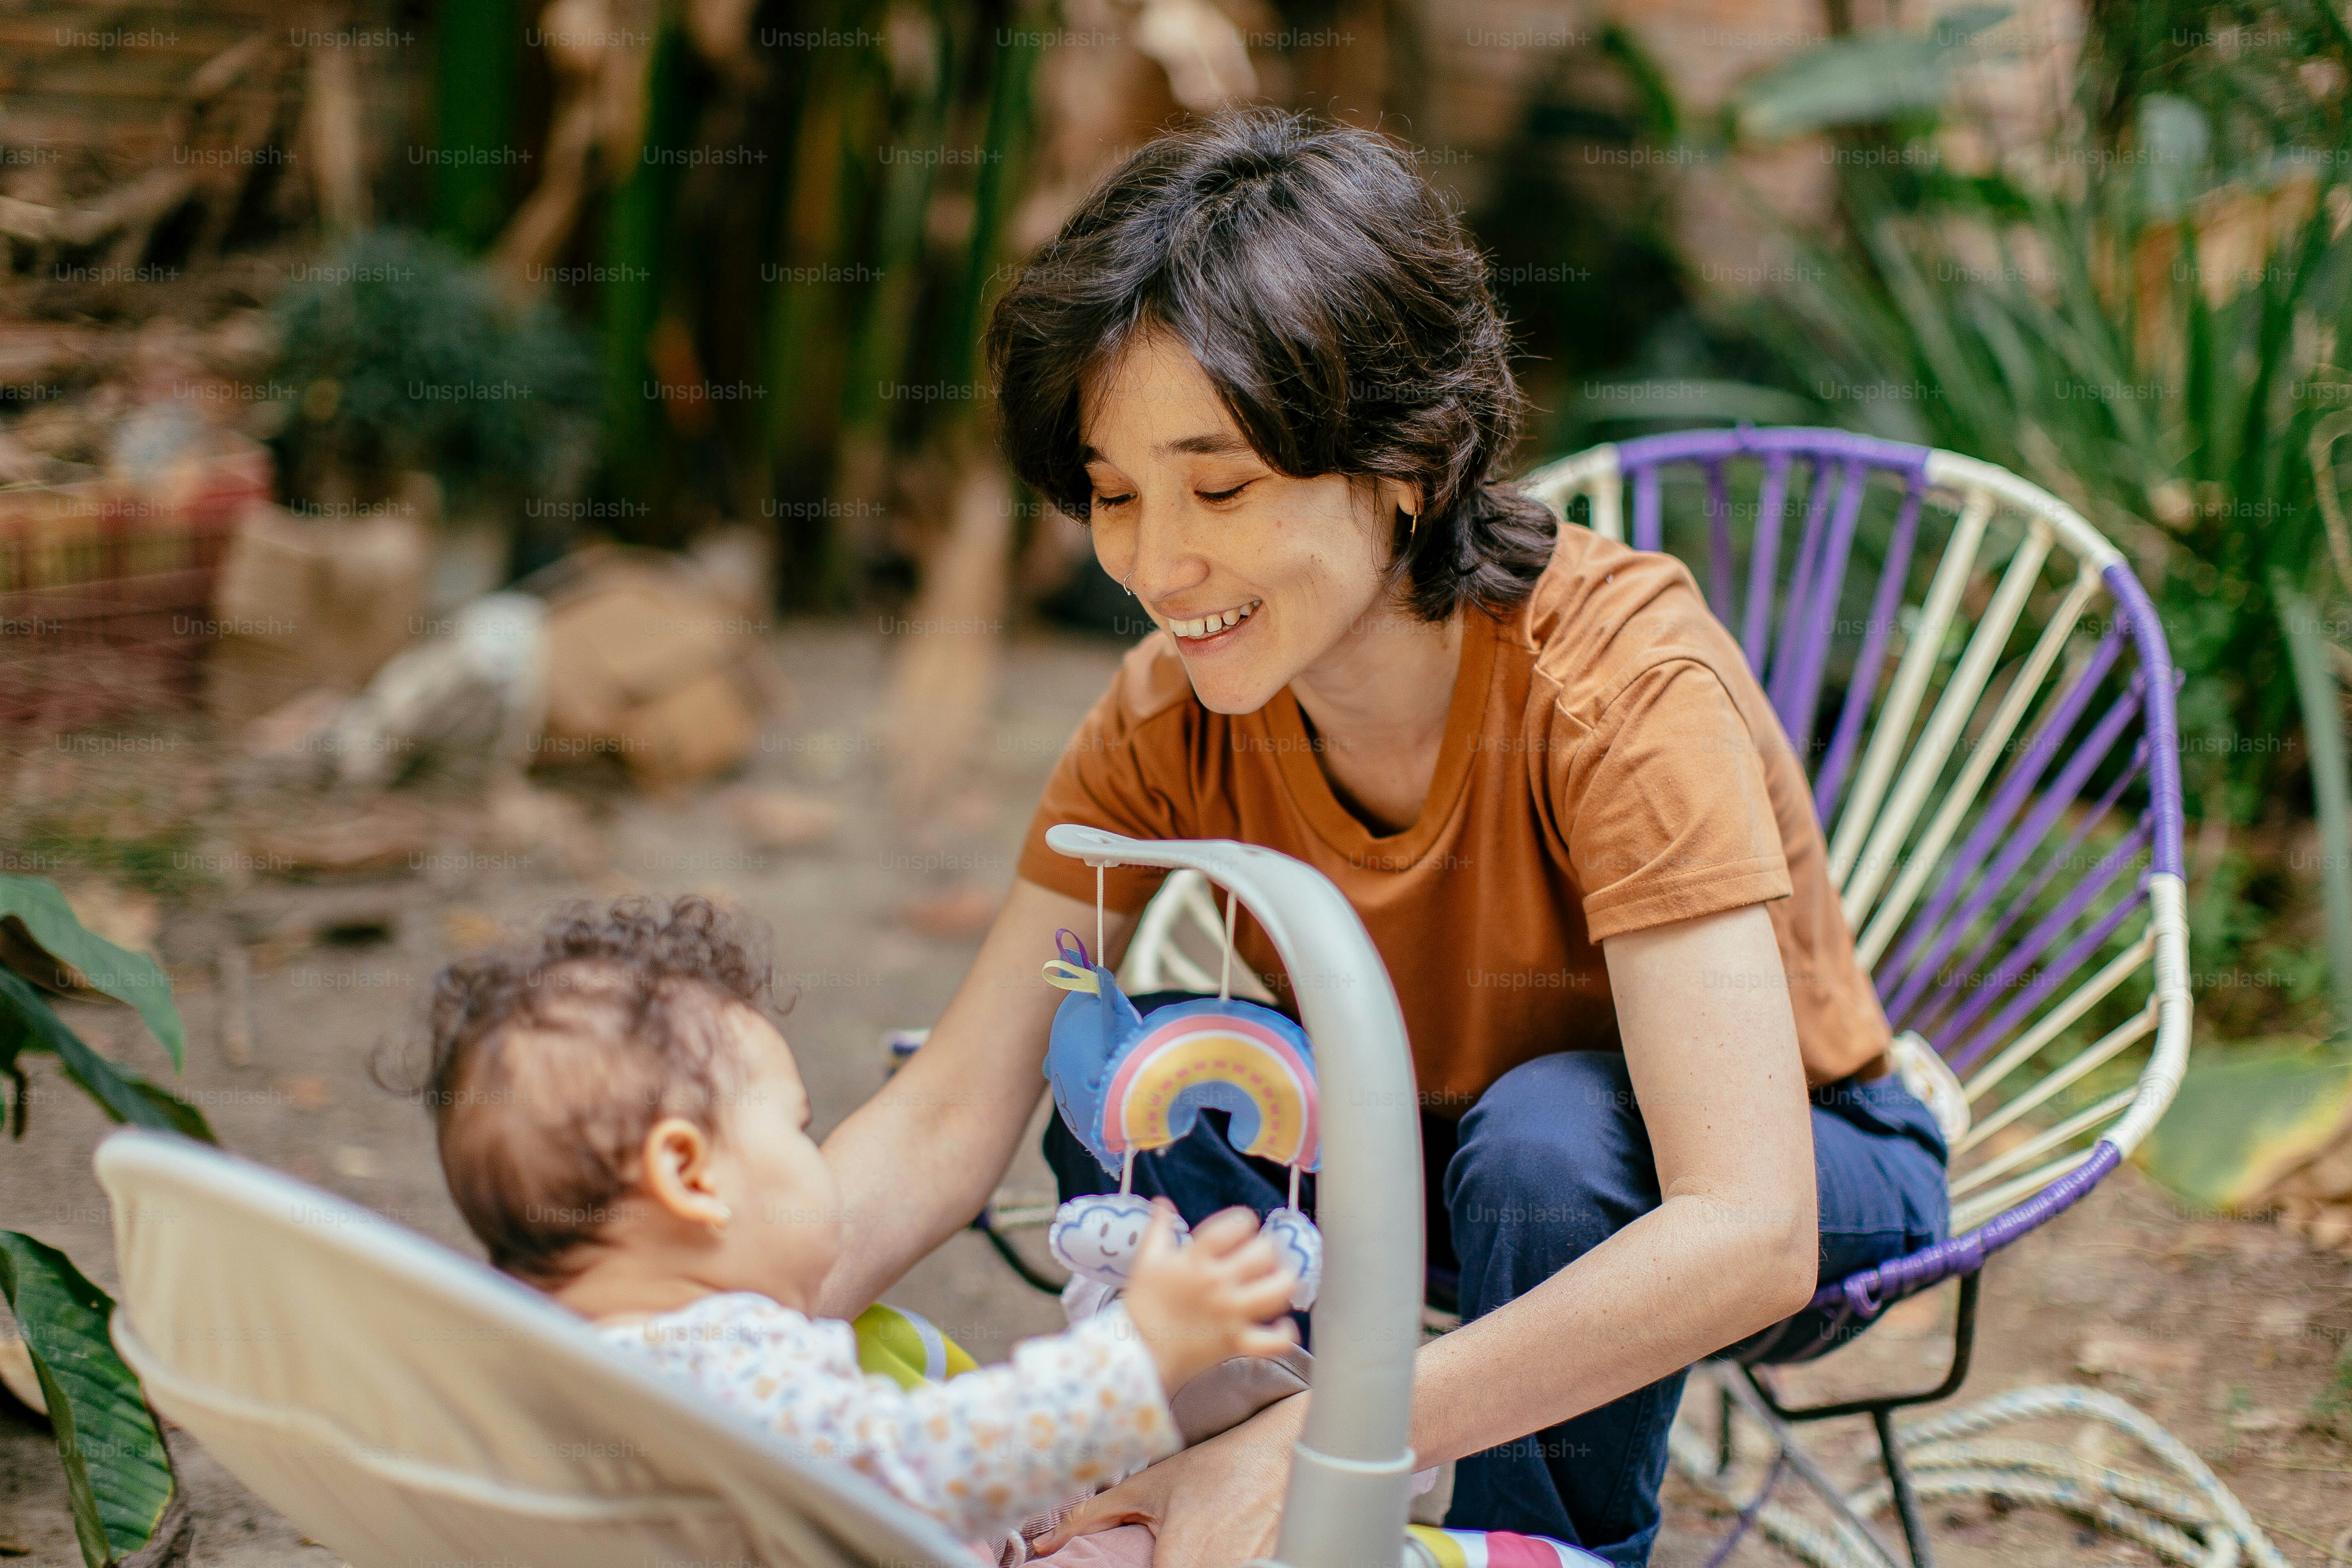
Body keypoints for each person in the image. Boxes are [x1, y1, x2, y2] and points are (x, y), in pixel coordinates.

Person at [817, 109, 1950, 1568]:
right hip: (1426, 1162)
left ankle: (1513, 1553)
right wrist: (680, 1323)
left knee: (1550, 1138)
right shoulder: (1169, 714)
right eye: (1114, 495)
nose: (1157, 563)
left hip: (1781, 1169)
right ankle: (1204, 1515)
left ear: (1406, 462)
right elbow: (948, 1111)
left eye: (1221, 486)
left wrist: (1328, 1439)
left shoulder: (1618, 689)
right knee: (1155, 1069)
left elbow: (1751, 1228)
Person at [408, 896, 1302, 1563]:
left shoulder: (535, 1363)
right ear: (690, 1175)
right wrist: (1142, 1356)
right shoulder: (723, 1363)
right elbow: (933, 1464)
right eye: (795, 1128)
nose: (816, 1158)